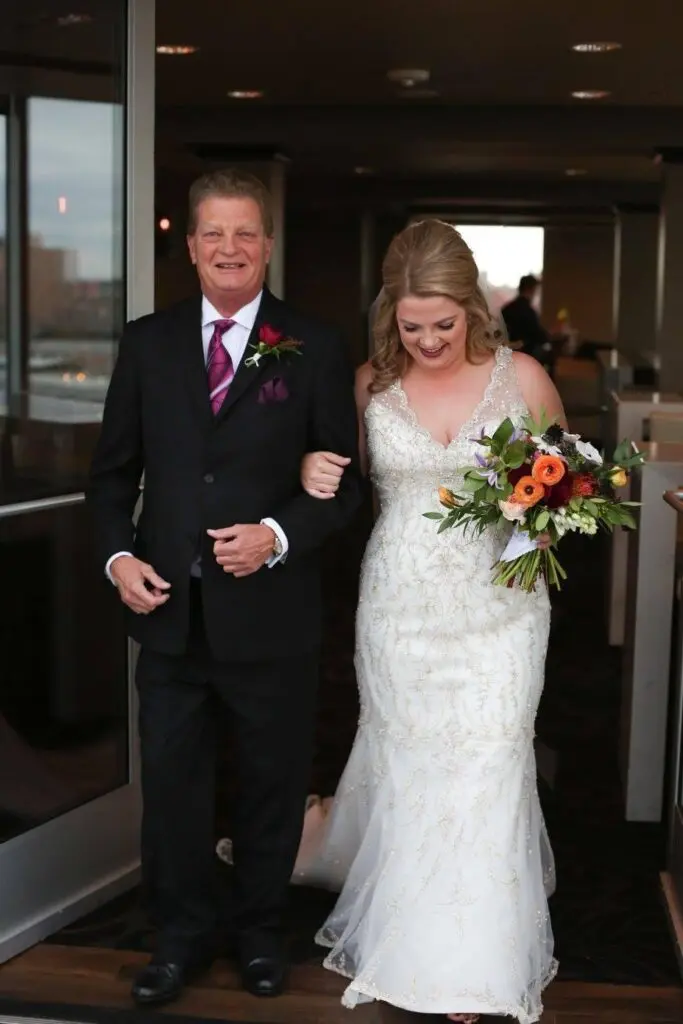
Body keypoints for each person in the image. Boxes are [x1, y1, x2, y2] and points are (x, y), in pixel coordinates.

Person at [87, 168, 362, 1007]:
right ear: (191, 245)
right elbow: (109, 478)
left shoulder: (312, 344)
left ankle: (258, 935)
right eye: (215, 234)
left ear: (268, 244)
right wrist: (117, 558)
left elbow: (345, 486)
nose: (230, 248)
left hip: (270, 619)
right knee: (173, 790)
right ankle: (176, 939)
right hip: (168, 614)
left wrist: (277, 535)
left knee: (271, 786)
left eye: (246, 233)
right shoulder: (147, 342)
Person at [296, 220, 565, 1022]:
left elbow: (561, 488)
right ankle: (413, 944)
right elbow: (342, 494)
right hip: (399, 604)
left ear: (472, 306)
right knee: (414, 767)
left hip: (502, 605)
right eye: (411, 327)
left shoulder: (522, 376)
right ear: (392, 314)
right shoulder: (369, 383)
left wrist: (545, 516)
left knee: (488, 759)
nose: (428, 340)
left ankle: (475, 961)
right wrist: (309, 470)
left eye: (442, 325)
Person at [501, 273, 551, 363]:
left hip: (506, 355)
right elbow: (538, 335)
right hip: (526, 356)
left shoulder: (506, 309)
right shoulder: (528, 311)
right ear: (531, 289)